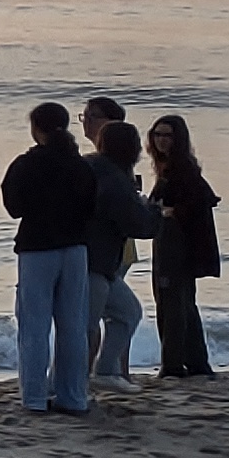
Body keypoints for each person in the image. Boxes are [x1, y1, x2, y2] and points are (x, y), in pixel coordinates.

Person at [3, 102, 100, 418]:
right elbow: (91, 208)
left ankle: (33, 396)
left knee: (34, 325)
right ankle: (73, 396)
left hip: (37, 248)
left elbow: (14, 207)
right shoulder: (81, 166)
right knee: (73, 325)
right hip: (75, 248)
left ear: (36, 128)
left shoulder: (26, 165)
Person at [147, 116, 222, 377]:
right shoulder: (172, 168)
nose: (161, 140)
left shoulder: (181, 170)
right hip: (175, 242)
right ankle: (195, 362)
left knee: (172, 303)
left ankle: (173, 364)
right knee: (182, 302)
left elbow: (196, 203)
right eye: (157, 135)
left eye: (167, 135)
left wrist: (168, 212)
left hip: (176, 243)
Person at [85, 120, 152, 390]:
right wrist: (154, 211)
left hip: (96, 260)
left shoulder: (90, 166)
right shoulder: (114, 179)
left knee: (127, 312)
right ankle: (62, 385)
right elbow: (137, 223)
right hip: (95, 260)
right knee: (85, 327)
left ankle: (104, 369)